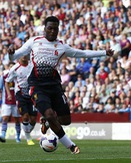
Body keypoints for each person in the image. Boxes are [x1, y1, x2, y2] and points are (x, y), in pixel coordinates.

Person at [8, 16, 114, 154]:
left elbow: (82, 53)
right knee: (50, 114)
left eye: (55, 28)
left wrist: (104, 53)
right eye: (50, 28)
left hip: (55, 86)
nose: (52, 31)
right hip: (37, 86)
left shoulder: (62, 46)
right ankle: (71, 146)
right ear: (44, 29)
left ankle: (47, 121)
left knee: (65, 120)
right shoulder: (34, 41)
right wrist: (11, 54)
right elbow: (15, 56)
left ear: (58, 29)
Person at [4, 55, 37, 145]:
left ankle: (26, 132)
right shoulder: (15, 68)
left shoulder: (32, 66)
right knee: (25, 116)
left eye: (26, 55)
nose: (24, 57)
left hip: (32, 94)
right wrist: (9, 94)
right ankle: (28, 139)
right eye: (22, 55)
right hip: (20, 94)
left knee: (33, 119)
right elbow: (7, 82)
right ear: (19, 57)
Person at [0, 62, 21, 143]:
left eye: (13, 66)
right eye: (10, 66)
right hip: (6, 101)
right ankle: (3, 135)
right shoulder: (4, 76)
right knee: (5, 118)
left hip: (16, 100)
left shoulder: (17, 75)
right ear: (8, 67)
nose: (12, 68)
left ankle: (18, 137)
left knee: (16, 119)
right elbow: (1, 87)